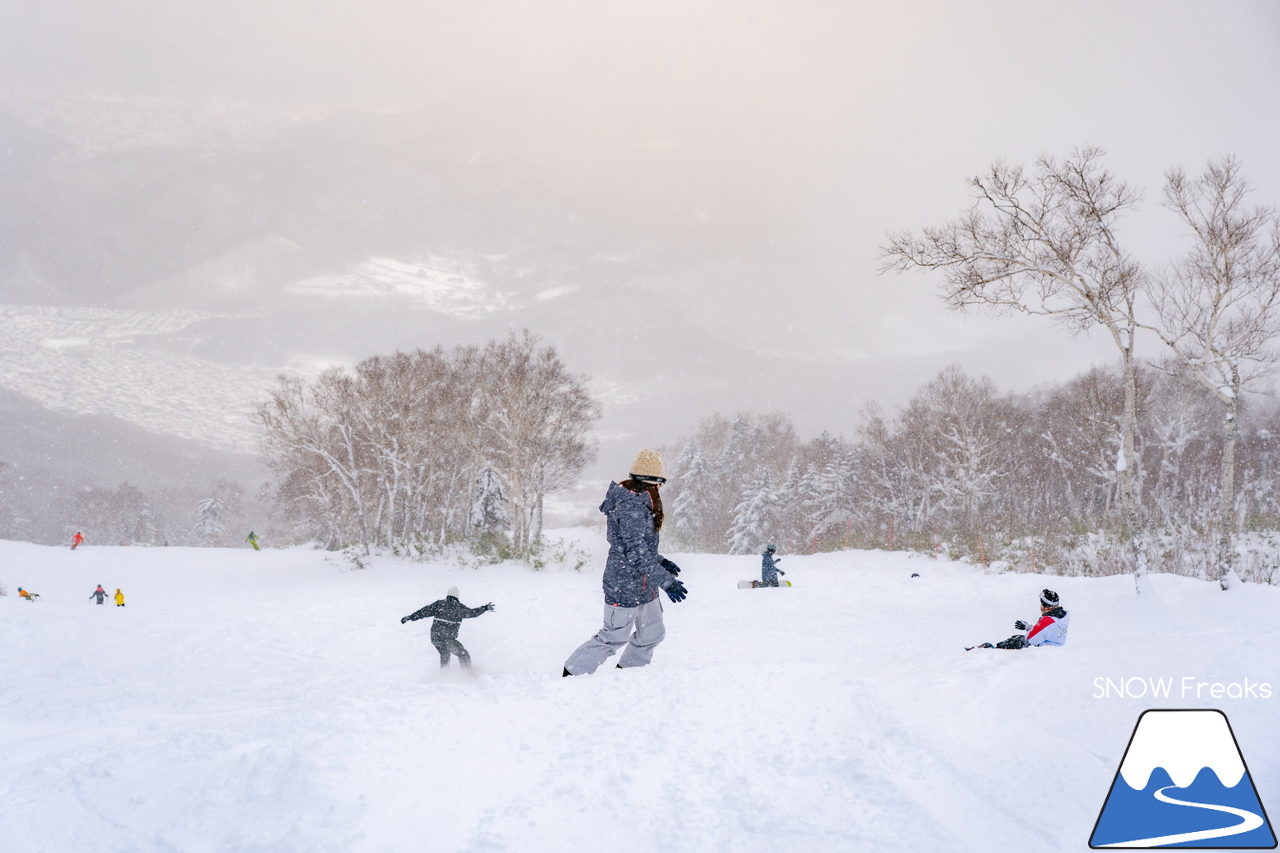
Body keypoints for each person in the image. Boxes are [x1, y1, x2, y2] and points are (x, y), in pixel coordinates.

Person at [563, 449, 688, 676]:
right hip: (624, 585)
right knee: (613, 636)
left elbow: (638, 546)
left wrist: (661, 561)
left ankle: (629, 676)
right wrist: (667, 581)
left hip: (643, 585)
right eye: (660, 484)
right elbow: (635, 554)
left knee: (652, 633)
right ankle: (572, 674)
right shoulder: (631, 505)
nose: (660, 489)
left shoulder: (639, 501)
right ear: (654, 483)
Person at [401, 587, 494, 669]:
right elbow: (473, 613)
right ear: (457, 596)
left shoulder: (439, 604)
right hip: (447, 638)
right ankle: (468, 675)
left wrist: (410, 617)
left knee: (445, 654)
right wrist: (485, 608)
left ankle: (444, 676)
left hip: (435, 637)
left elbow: (424, 611)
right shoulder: (459, 608)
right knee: (463, 654)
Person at [967, 589, 1070, 650]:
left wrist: (1029, 630)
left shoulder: (1047, 620)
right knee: (1016, 637)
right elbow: (1047, 631)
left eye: (1041, 603)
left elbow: (1032, 639)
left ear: (1045, 605)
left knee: (1012, 642)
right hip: (1054, 646)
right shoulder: (1062, 616)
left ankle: (990, 650)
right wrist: (1028, 627)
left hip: (1042, 651)